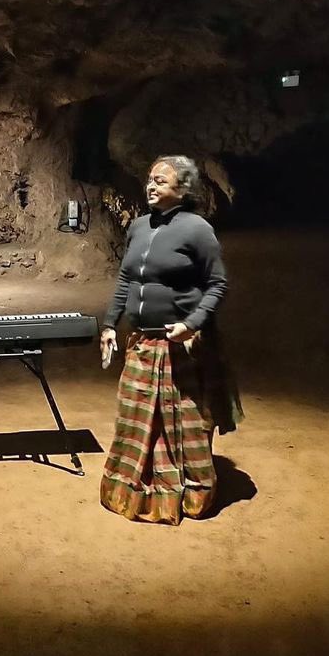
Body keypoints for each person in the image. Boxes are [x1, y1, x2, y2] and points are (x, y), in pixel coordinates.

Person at [98, 156, 241, 525]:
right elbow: (126, 280)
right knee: (135, 416)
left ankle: (191, 492)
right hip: (142, 344)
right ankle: (133, 484)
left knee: (185, 421)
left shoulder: (197, 230)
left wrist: (193, 323)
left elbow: (217, 284)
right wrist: (110, 324)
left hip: (183, 348)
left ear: (183, 190)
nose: (151, 185)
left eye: (161, 181)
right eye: (150, 179)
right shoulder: (139, 227)